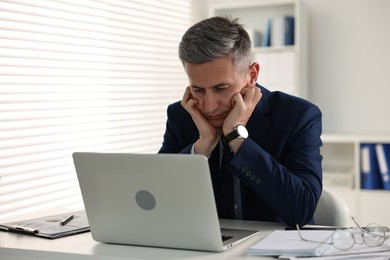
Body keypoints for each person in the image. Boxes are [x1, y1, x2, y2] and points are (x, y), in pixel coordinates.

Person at [158, 16, 322, 227]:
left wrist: (236, 137)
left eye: (221, 88)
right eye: (198, 90)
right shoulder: (181, 115)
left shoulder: (298, 116)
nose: (209, 106)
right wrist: (202, 147)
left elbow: (301, 209)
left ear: (251, 75)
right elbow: (157, 200)